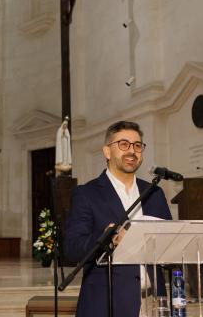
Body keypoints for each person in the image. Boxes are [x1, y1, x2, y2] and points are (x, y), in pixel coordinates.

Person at [65, 121, 172, 317]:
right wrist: (107, 238)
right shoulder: (86, 194)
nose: (132, 151)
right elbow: (72, 247)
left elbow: (170, 245)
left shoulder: (154, 193)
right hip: (107, 304)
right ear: (107, 151)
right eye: (124, 144)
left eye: (137, 146)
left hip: (154, 303)